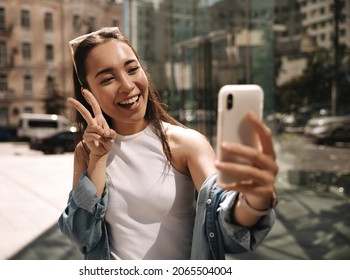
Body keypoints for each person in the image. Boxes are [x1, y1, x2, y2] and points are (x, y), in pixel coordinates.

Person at [58, 27, 278, 260]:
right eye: (108, 79)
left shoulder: (187, 143)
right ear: (87, 92)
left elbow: (222, 215)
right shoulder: (87, 152)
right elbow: (81, 235)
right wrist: (98, 159)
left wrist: (255, 200)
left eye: (132, 69)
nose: (127, 85)